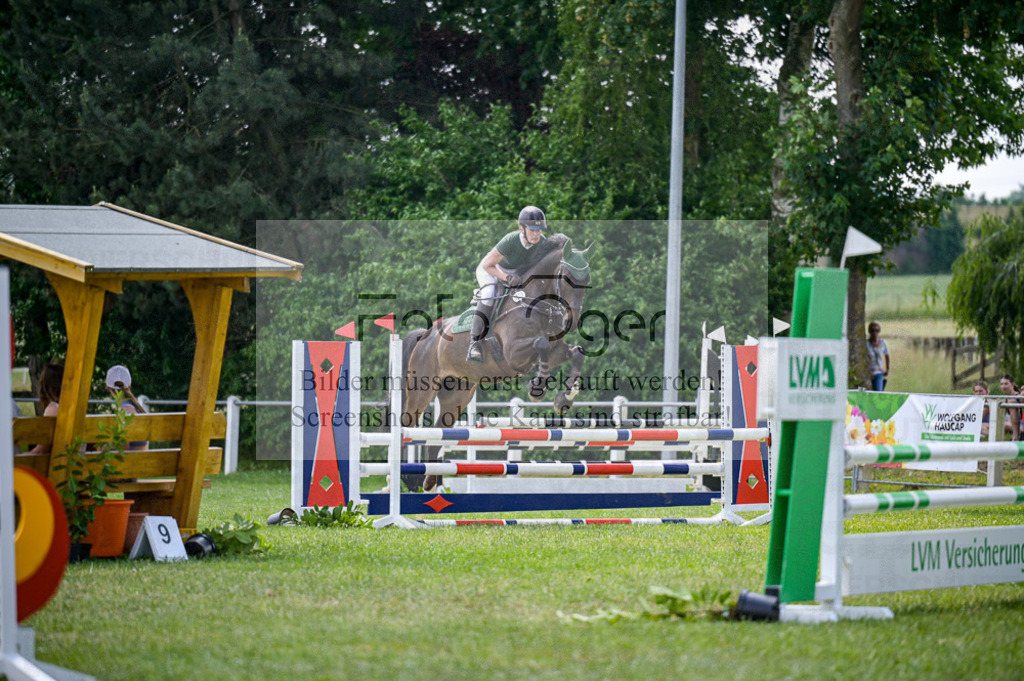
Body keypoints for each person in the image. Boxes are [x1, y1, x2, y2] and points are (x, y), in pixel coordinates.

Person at [467, 206, 547, 362]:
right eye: (532, 230)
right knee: (489, 295)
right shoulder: (511, 240)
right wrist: (506, 278)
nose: (536, 234)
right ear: (521, 228)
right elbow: (488, 265)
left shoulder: (541, 243)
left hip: (515, 274)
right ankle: (474, 343)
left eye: (539, 230)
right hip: (492, 269)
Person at [106, 364, 148, 450]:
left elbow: (123, 448)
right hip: (144, 460)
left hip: (132, 461)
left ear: (108, 388)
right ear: (129, 386)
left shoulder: (124, 411)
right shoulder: (137, 408)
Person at [27, 362, 63, 454]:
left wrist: (18, 458)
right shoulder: (73, 408)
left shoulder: (53, 409)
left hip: (58, 463)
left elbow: (42, 449)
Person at [866, 321, 890, 391]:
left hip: (878, 372)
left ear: (879, 331)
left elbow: (887, 355)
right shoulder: (866, 344)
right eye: (872, 330)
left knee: (878, 391)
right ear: (869, 331)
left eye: (876, 330)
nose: (874, 333)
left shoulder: (883, 343)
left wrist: (887, 369)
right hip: (868, 372)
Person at [997, 374, 1021, 441]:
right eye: (1001, 384)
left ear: (1012, 384)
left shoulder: (1018, 397)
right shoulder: (1005, 398)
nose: (1003, 386)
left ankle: (1015, 437)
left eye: (1006, 384)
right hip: (1011, 424)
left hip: (1020, 423)